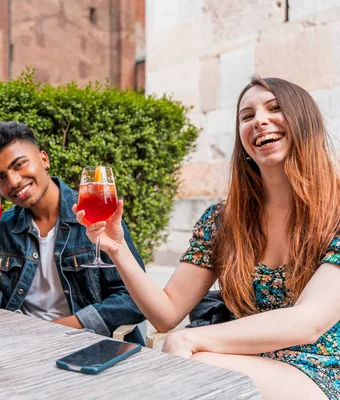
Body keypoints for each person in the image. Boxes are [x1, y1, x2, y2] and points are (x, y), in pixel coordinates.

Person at [75, 76, 340, 399]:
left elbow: (308, 322)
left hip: (324, 368)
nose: (259, 120)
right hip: (250, 360)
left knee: (184, 367)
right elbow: (167, 312)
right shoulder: (223, 221)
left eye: (275, 108)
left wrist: (191, 339)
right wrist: (117, 249)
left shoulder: (336, 211)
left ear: (304, 121)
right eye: (247, 116)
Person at [0, 122, 146, 343]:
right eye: (0, 178)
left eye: (19, 165)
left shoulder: (95, 215)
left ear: (44, 160)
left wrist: (52, 330)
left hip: (89, 344)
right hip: (19, 347)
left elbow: (135, 300)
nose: (14, 182)